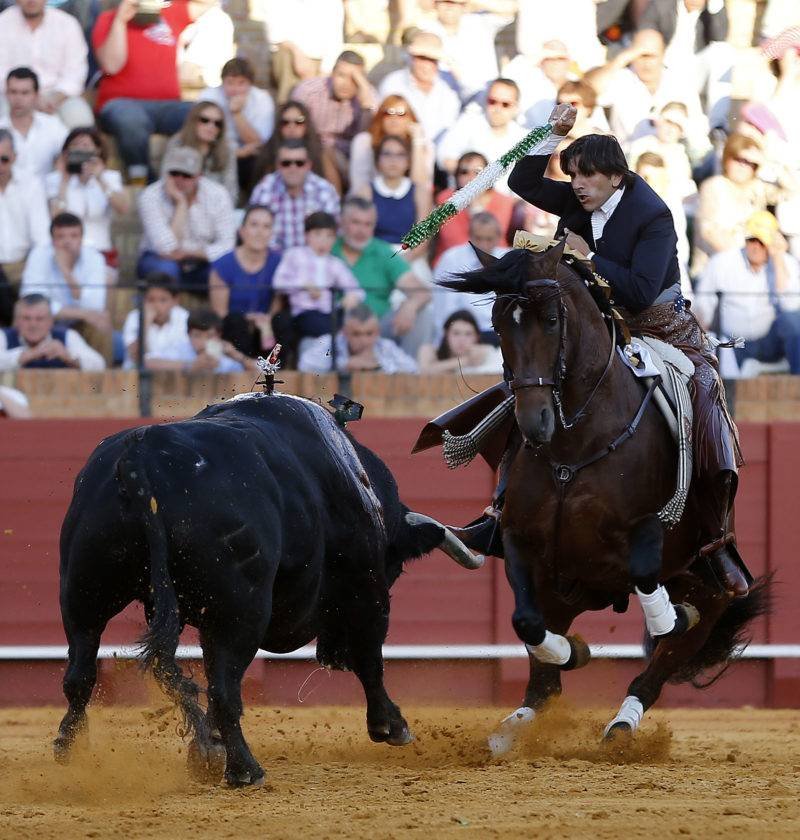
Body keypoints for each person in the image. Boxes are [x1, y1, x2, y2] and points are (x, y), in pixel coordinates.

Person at [457, 102, 749, 601]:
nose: (576, 184)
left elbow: (638, 291)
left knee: (704, 392)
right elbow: (525, 182)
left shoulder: (653, 214)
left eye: (587, 176)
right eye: (573, 175)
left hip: (658, 325)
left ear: (616, 176)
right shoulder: (581, 199)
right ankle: (500, 510)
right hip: (594, 321)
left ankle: (716, 541)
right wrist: (550, 134)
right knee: (534, 378)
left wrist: (589, 257)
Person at [92, 0, 213, 180]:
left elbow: (209, 3)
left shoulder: (172, 11)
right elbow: (111, 65)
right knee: (132, 120)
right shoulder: (108, 18)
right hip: (122, 105)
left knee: (203, 116)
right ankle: (147, 185)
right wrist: (120, 20)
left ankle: (198, 181)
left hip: (169, 106)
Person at [694, 211, 800, 374]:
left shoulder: (786, 262)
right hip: (733, 344)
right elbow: (702, 307)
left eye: (762, 241)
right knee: (704, 336)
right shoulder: (722, 262)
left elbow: (791, 307)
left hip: (769, 344)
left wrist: (778, 260)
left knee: (792, 320)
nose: (756, 246)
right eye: (752, 240)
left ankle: (796, 383)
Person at [332, 196, 432, 354]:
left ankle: (412, 375)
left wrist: (410, 306)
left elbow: (422, 292)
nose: (361, 230)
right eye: (355, 222)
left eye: (368, 224)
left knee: (422, 314)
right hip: (336, 327)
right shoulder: (328, 249)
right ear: (342, 222)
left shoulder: (383, 252)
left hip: (379, 327)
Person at [584, 28, 708, 153]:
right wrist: (623, 57)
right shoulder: (622, 78)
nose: (647, 63)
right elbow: (586, 88)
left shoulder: (680, 83)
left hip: (673, 157)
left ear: (663, 54)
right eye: (642, 56)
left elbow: (698, 128)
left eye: (652, 56)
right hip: (628, 159)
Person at [137, 145, 236, 293]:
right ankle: (168, 316)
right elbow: (167, 249)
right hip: (158, 259)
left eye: (187, 175)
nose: (179, 180)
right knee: (167, 271)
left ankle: (225, 316)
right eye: (174, 173)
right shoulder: (150, 195)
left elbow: (228, 245)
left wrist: (193, 253)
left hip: (201, 261)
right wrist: (181, 204)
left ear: (199, 176)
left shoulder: (218, 195)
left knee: (229, 270)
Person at [20, 211, 111, 358]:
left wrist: (67, 273)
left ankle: (102, 377)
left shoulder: (94, 258)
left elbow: (95, 306)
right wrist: (83, 313)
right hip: (46, 321)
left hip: (81, 322)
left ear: (82, 239)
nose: (67, 242)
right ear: (52, 240)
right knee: (25, 317)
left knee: (100, 323)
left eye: (73, 236)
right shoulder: (38, 255)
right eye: (61, 237)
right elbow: (31, 301)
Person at [272, 211, 363, 348]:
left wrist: (351, 297)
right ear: (307, 235)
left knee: (353, 318)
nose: (323, 241)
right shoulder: (295, 255)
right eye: (318, 234)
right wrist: (304, 286)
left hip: (330, 313)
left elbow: (357, 289)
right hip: (304, 313)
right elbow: (278, 283)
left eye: (329, 236)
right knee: (316, 323)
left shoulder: (335, 263)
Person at [291, 50, 378, 190]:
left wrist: (366, 105)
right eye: (341, 75)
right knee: (325, 152)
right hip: (311, 151)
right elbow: (292, 125)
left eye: (353, 78)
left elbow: (371, 136)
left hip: (352, 159)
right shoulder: (308, 91)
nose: (346, 84)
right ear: (332, 73)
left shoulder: (368, 95)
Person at [0, 0, 93, 128]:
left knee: (80, 122)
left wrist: (55, 97)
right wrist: (28, 96)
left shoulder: (67, 24)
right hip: (12, 94)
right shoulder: (3, 23)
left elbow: (76, 72)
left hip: (58, 95)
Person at [209, 205, 284, 357]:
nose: (260, 232)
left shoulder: (280, 263)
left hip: (265, 329)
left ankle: (277, 373)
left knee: (283, 321)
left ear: (271, 233)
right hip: (235, 332)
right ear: (242, 231)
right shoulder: (223, 265)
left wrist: (266, 320)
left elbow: (278, 304)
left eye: (266, 226)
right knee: (235, 321)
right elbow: (220, 313)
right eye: (254, 225)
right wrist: (249, 319)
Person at [45, 127, 130, 261]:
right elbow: (56, 218)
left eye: (85, 145)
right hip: (66, 251)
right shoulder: (54, 179)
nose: (79, 150)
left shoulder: (110, 177)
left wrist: (100, 179)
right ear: (66, 151)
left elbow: (123, 209)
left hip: (101, 249)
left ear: (97, 150)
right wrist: (64, 181)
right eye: (74, 145)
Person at [692, 133, 770, 276]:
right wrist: (742, 261)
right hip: (714, 268)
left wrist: (765, 162)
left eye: (751, 163)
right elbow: (709, 232)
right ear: (727, 158)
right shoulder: (713, 186)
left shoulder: (757, 188)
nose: (744, 166)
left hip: (750, 271)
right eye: (739, 159)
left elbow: (790, 190)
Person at [199, 57, 275, 194]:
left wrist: (237, 114)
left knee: (260, 161)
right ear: (222, 83)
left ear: (250, 84)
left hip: (249, 158)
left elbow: (258, 143)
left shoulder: (262, 99)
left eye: (241, 83)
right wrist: (237, 153)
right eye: (230, 83)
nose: (235, 89)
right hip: (216, 153)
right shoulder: (208, 97)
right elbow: (201, 136)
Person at [248, 139, 340, 252]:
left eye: (299, 163)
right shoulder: (265, 189)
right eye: (286, 163)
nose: (293, 168)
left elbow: (333, 235)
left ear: (309, 165)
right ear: (278, 165)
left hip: (313, 261)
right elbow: (255, 235)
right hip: (274, 262)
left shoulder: (324, 190)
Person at [437, 78, 526, 194]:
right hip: (464, 200)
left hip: (505, 206)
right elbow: (443, 157)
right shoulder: (468, 122)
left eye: (505, 104)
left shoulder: (523, 137)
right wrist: (470, 175)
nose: (497, 109)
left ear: (516, 108)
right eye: (492, 101)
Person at [433, 212, 507, 343]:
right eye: (478, 238)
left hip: (502, 334)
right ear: (470, 236)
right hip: (464, 337)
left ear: (498, 237)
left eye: (489, 239)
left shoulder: (508, 260)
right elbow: (445, 309)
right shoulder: (452, 259)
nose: (483, 245)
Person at [378, 30, 461, 147]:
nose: (426, 66)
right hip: (403, 151)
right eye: (421, 58)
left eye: (432, 60)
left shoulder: (449, 84)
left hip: (443, 154)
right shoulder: (393, 83)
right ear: (412, 58)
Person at [432, 151, 515, 264]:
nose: (471, 178)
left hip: (494, 262)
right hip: (454, 263)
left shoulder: (503, 201)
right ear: (457, 176)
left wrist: (476, 204)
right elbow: (454, 241)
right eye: (464, 172)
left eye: (478, 172)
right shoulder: (446, 199)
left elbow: (493, 239)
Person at [425, 0, 513, 101]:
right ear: (435, 4)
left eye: (454, 2)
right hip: (445, 101)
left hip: (485, 98)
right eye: (444, 1)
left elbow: (509, 10)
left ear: (463, 5)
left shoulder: (479, 21)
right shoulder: (426, 28)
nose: (449, 6)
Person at [261, 0, 345, 103]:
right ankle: (287, 108)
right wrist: (297, 54)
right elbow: (275, 35)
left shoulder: (333, 3)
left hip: (321, 63)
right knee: (285, 56)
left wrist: (323, 73)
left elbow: (335, 42)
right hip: (290, 57)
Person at [299, 301, 418, 374]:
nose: (363, 340)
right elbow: (305, 365)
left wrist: (378, 366)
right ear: (344, 332)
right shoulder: (329, 343)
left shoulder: (385, 346)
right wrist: (344, 365)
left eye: (369, 333)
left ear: (377, 332)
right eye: (356, 334)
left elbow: (413, 369)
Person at [348, 94, 433, 195]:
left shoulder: (423, 144)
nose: (394, 118)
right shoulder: (364, 141)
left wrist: (417, 143)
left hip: (410, 204)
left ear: (411, 118)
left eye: (401, 113)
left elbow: (422, 189)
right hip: (370, 203)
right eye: (388, 113)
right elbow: (359, 186)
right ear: (380, 116)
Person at [356, 135, 432, 246]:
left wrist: (400, 262)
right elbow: (360, 234)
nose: (393, 160)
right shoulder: (366, 191)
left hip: (409, 255)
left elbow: (424, 237)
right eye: (387, 154)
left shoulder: (420, 192)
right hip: (374, 254)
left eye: (400, 155)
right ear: (377, 160)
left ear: (408, 161)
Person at [0, 127, 50, 296]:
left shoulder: (31, 184)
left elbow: (41, 238)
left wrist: (32, 271)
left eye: (4, 159)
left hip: (24, 267)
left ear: (14, 157)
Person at [0, 292, 104, 370]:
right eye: (26, 318)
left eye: (40, 319)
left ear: (51, 321)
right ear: (17, 321)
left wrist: (68, 357)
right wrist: (27, 354)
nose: (33, 324)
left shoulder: (67, 335)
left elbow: (99, 365)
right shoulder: (4, 335)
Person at [161, 100, 238, 204]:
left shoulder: (226, 150)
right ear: (194, 121)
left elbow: (231, 190)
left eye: (217, 123)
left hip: (214, 209)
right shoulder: (178, 143)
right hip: (178, 205)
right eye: (205, 120)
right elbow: (165, 180)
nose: (211, 126)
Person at [0, 67, 67, 179]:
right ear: (6, 94)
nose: (18, 98)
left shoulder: (53, 126)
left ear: (36, 95)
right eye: (13, 92)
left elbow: (69, 154)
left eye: (25, 93)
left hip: (47, 194)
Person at [248, 99, 327, 195]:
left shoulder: (320, 153)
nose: (292, 127)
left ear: (307, 125)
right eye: (285, 122)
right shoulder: (267, 154)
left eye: (299, 121)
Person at [145, 306, 253, 373]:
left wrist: (238, 356)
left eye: (210, 336)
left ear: (219, 335)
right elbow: (147, 363)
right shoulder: (181, 349)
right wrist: (190, 366)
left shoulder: (227, 353)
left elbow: (261, 375)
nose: (203, 342)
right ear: (188, 334)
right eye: (197, 335)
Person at [121, 271, 189, 368]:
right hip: (136, 378)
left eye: (163, 300)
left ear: (175, 301)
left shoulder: (184, 318)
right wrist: (145, 323)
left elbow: (186, 358)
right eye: (151, 300)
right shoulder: (134, 317)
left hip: (175, 376)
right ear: (143, 300)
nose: (156, 306)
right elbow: (135, 356)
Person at [417, 308, 503, 375]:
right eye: (456, 333)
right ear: (446, 334)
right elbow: (425, 372)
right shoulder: (429, 350)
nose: (461, 340)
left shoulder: (484, 352)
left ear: (476, 337)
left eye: (468, 334)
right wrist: (466, 360)